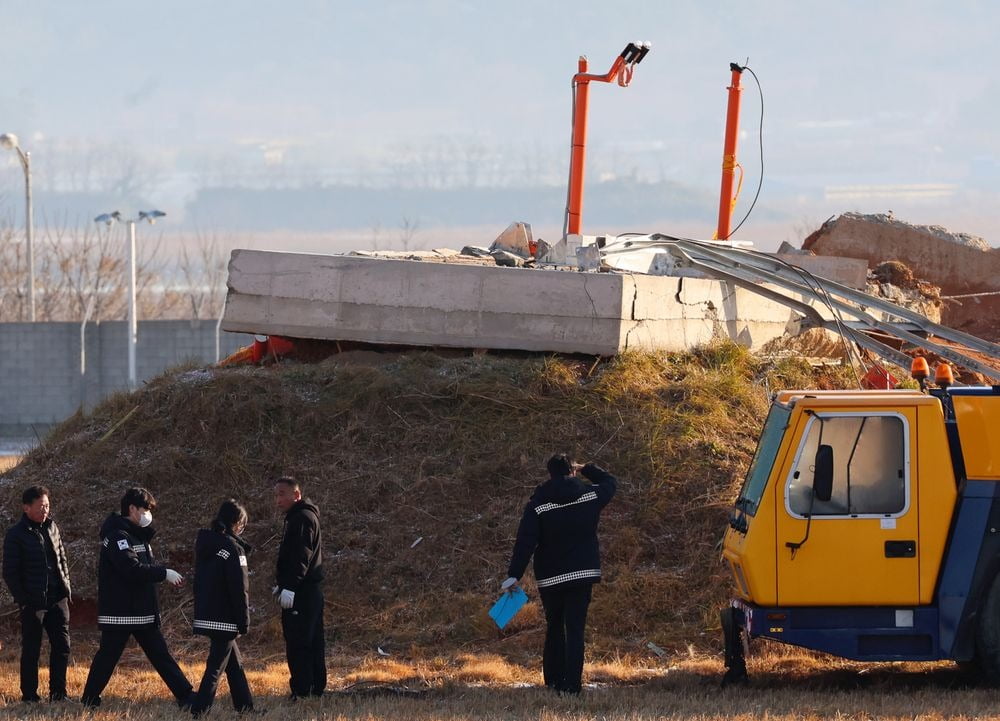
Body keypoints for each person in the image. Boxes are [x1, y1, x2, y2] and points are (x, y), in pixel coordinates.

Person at [503, 455, 617, 695]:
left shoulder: (538, 504)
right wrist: (588, 468)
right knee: (575, 629)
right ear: (572, 472)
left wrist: (515, 574)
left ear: (549, 475)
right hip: (582, 573)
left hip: (551, 577)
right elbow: (610, 482)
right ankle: (572, 686)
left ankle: (553, 679)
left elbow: (526, 541)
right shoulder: (589, 495)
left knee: (554, 626)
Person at [81, 487, 193, 709]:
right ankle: (89, 698)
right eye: (145, 509)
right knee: (108, 657)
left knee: (160, 655)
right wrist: (164, 573)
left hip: (140, 610)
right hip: (121, 612)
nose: (148, 514)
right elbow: (132, 569)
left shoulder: (135, 535)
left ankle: (186, 696)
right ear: (132, 509)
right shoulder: (117, 538)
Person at [2, 485, 72, 703]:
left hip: (57, 598)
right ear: (26, 507)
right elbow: (10, 573)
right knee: (32, 649)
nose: (45, 511)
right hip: (33, 602)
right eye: (41, 506)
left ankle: (58, 694)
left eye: (47, 506)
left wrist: (66, 586)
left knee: (62, 646)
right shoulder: (15, 535)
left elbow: (62, 559)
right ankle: (30, 696)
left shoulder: (52, 527)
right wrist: (24, 600)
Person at [190, 499, 255, 716]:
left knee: (234, 664)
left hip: (207, 613)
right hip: (226, 617)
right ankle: (200, 709)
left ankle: (245, 707)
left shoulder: (207, 544)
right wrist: (243, 620)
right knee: (215, 667)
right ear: (236, 523)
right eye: (242, 524)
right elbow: (239, 588)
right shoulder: (234, 549)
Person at [273, 476, 326, 699]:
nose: (278, 500)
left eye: (282, 494)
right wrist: (282, 584)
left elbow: (300, 557)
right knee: (312, 640)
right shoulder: (300, 516)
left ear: (296, 494)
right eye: (276, 495)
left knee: (299, 641)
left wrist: (290, 587)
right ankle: (315, 686)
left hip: (302, 593)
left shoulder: (301, 519)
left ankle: (303, 690)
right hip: (307, 591)